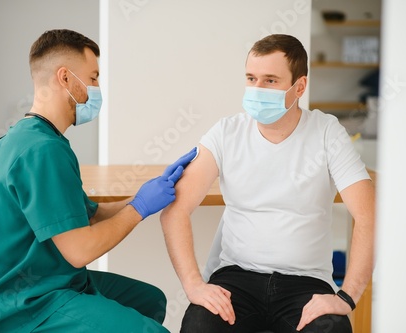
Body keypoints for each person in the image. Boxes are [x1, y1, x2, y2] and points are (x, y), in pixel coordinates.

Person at [0, 29, 197, 333]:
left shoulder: (28, 137)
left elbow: (86, 214)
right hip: (26, 304)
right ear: (65, 78)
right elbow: (80, 251)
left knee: (151, 300)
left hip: (45, 279)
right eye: (92, 78)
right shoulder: (42, 151)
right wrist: (140, 208)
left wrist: (147, 193)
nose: (97, 88)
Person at [160, 34, 375, 333]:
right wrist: (194, 285)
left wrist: (347, 297)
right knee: (199, 324)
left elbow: (368, 214)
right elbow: (176, 209)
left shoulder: (326, 132)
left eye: (271, 80)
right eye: (251, 78)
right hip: (237, 279)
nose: (257, 89)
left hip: (306, 284)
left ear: (299, 86)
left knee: (334, 328)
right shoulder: (226, 132)